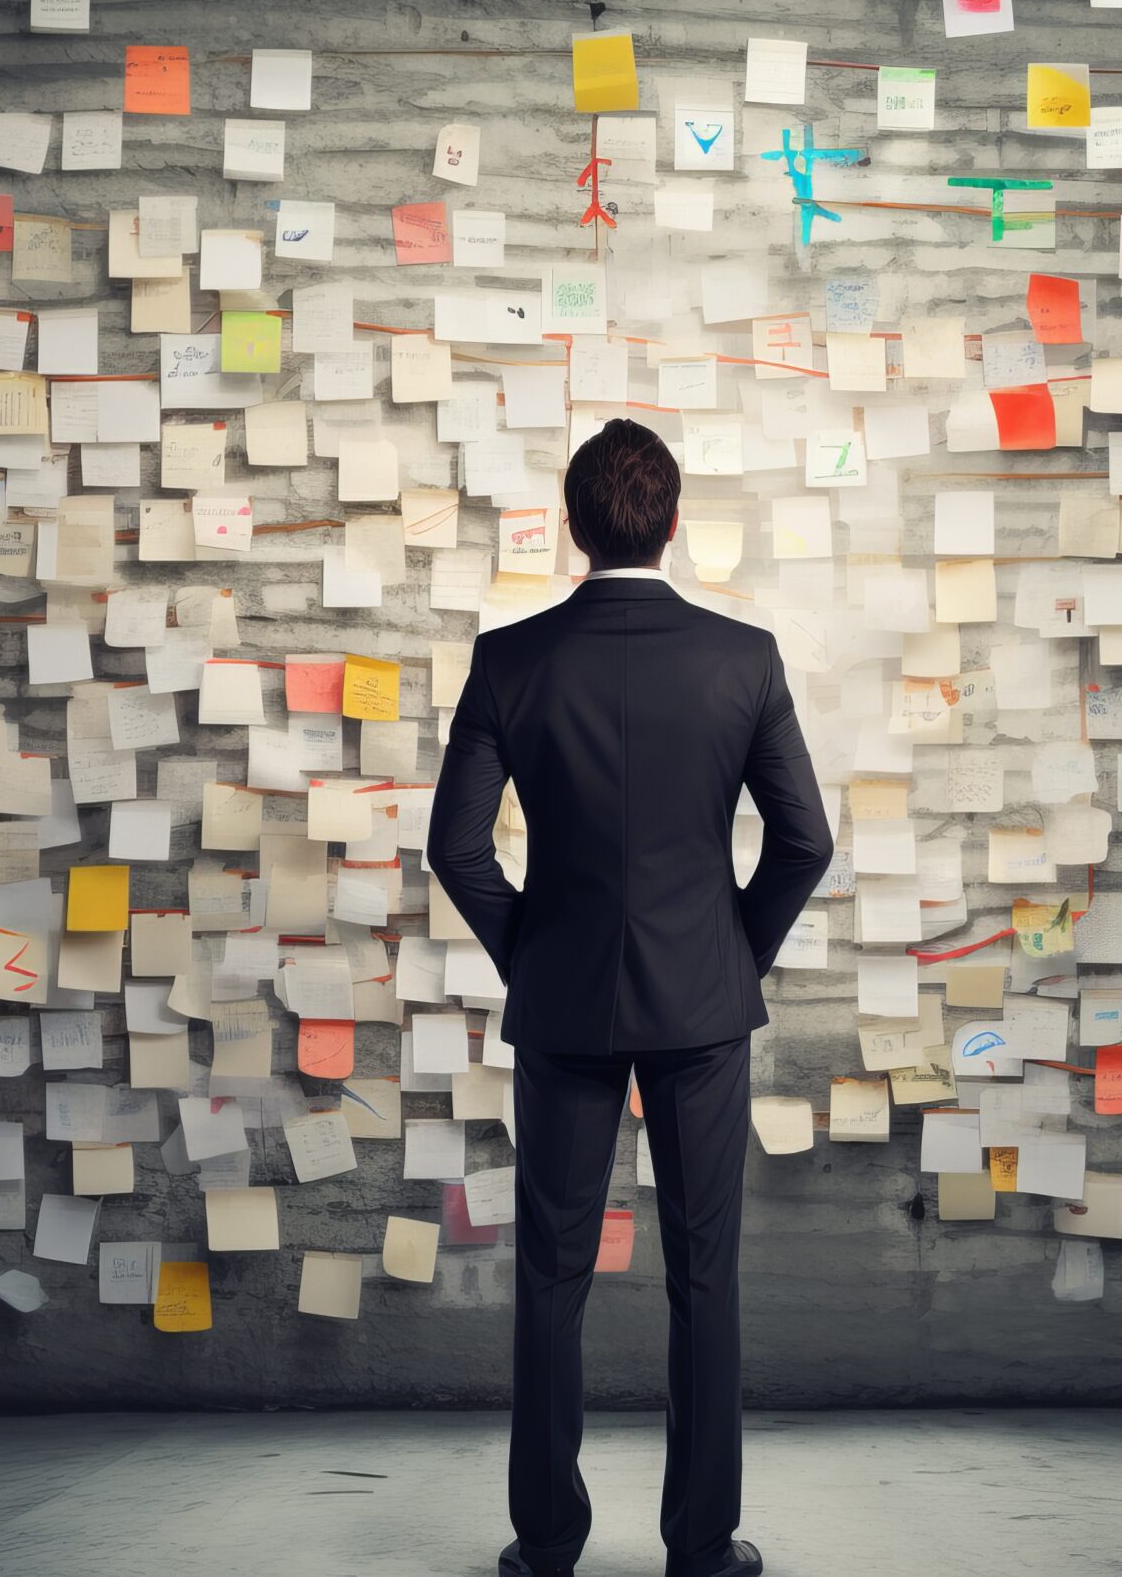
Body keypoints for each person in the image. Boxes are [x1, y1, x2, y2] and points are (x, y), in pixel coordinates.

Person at [429, 418, 835, 1577]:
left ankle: (545, 1543)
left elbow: (457, 852)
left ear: (571, 525)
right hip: (703, 1008)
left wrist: (539, 957)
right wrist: (726, 960)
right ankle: (701, 1548)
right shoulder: (743, 659)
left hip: (562, 1008)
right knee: (704, 1275)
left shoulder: (508, 660)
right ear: (670, 521)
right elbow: (803, 843)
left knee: (549, 1278)